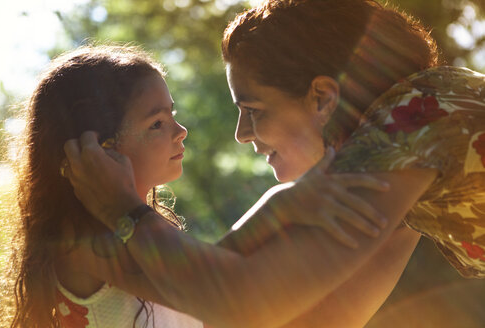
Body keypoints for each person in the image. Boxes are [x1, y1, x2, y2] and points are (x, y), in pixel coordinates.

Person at [63, 0, 485, 327]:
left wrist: (123, 212)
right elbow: (319, 319)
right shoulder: (411, 135)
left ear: (322, 98)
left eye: (253, 108)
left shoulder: (410, 122)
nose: (242, 133)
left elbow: (243, 304)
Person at [5, 44, 392, 328]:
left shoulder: (140, 231)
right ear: (96, 150)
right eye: (156, 123)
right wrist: (283, 204)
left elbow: (223, 264)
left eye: (171, 114)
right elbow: (219, 291)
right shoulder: (83, 242)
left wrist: (286, 205)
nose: (180, 131)